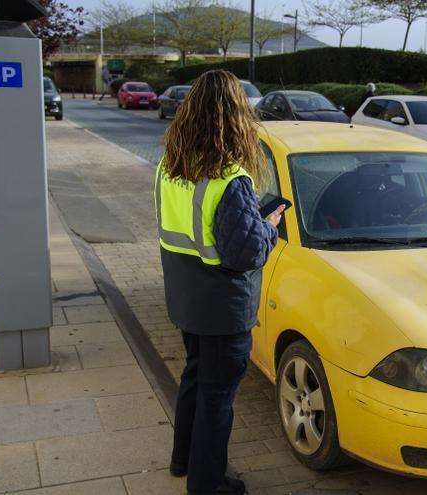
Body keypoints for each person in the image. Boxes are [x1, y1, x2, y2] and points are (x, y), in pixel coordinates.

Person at [156, 69, 285, 495]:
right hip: (222, 310)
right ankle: (207, 485)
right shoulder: (230, 177)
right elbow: (245, 252)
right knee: (217, 398)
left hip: (187, 302)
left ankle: (182, 461)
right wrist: (269, 224)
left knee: (195, 380)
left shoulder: (170, 165)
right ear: (236, 116)